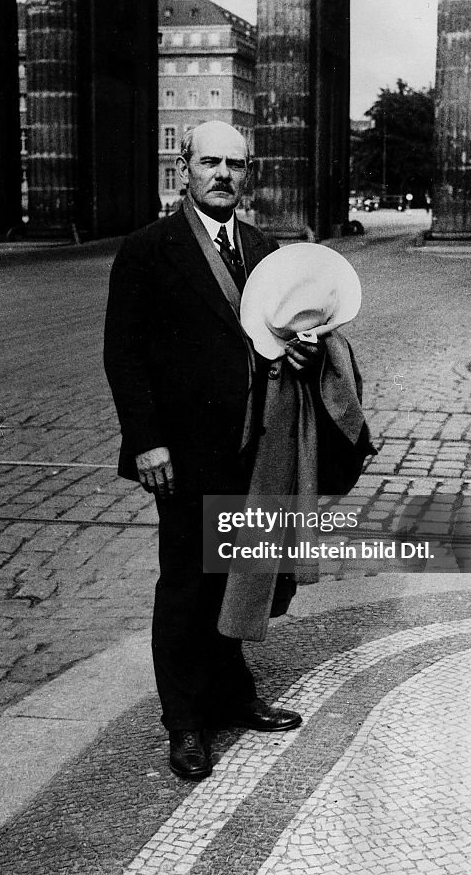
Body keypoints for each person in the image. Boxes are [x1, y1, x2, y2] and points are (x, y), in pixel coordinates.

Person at [103, 121, 321, 781]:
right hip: (181, 453)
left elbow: (284, 338)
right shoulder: (148, 248)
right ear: (184, 168)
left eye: (234, 163)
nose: (222, 173)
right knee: (187, 585)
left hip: (253, 448)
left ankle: (231, 694)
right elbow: (124, 353)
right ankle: (186, 721)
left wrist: (302, 348)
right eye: (209, 162)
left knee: (238, 575)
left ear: (246, 173)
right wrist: (147, 442)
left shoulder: (266, 250)